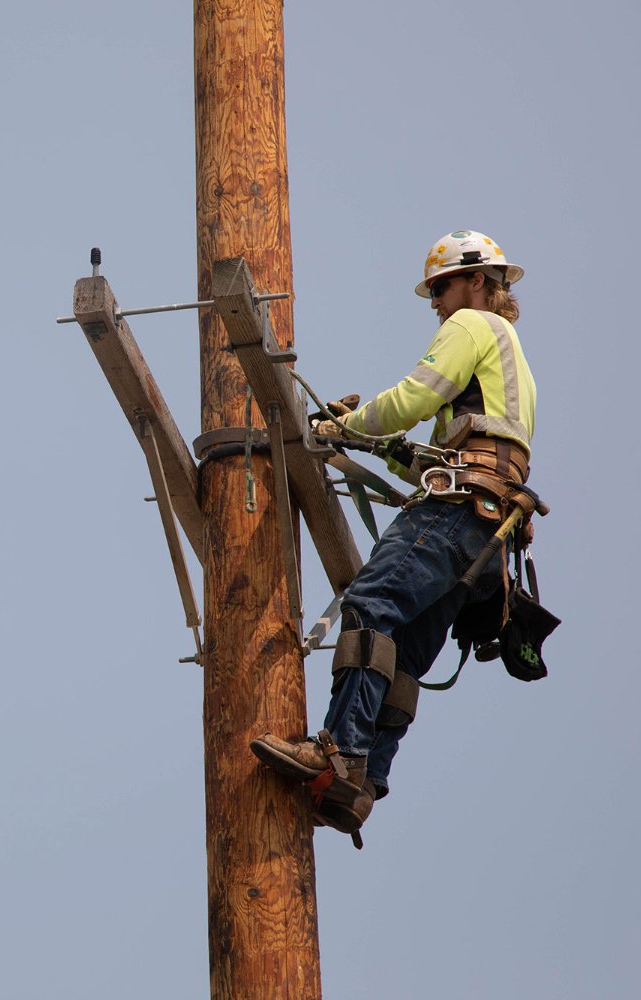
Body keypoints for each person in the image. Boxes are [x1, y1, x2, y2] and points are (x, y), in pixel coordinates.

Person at [250, 230, 537, 842]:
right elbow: (427, 451)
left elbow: (412, 400)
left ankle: (338, 752)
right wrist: (363, 441)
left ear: (479, 283)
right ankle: (363, 785)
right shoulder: (510, 359)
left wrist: (345, 422)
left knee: (369, 607)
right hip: (488, 536)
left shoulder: (473, 327)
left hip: (457, 510)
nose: (435, 302)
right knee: (400, 654)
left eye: (442, 287)